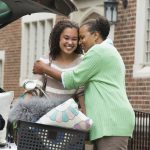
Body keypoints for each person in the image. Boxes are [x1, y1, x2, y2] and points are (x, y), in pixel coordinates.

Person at [33, 16, 135, 150]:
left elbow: (72, 80)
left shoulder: (98, 51)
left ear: (96, 35)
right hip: (110, 122)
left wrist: (44, 68)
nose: (80, 42)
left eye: (82, 37)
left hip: (112, 122)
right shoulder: (107, 51)